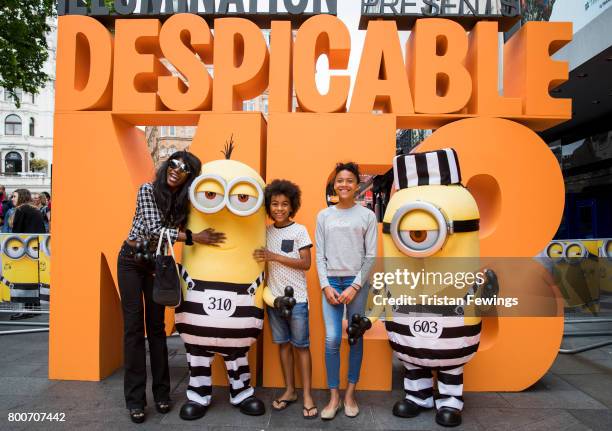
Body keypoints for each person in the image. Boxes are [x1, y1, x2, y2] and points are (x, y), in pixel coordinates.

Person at [117, 150, 226, 424]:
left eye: (184, 168)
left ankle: (162, 394)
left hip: (157, 265)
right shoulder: (147, 189)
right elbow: (154, 228)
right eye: (174, 163)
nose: (176, 169)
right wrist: (194, 237)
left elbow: (206, 203)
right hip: (131, 261)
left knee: (157, 330)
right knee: (133, 330)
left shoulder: (183, 202)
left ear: (190, 176)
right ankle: (135, 401)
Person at [315, 162, 377, 420]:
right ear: (334, 184)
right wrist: (325, 285)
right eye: (340, 180)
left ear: (357, 185)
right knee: (331, 339)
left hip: (356, 284)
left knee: (354, 338)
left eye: (349, 180)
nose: (344, 184)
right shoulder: (324, 216)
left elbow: (371, 255)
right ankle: (334, 396)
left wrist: (355, 286)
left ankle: (350, 393)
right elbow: (319, 255)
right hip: (330, 282)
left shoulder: (367, 216)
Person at [253, 179, 317, 419]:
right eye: (275, 204)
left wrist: (274, 256)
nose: (279, 208)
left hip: (298, 301)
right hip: (274, 301)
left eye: (284, 204)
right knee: (282, 345)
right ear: (269, 207)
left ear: (292, 206)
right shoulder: (265, 231)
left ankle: (308, 395)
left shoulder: (299, 231)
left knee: (301, 347)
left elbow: (306, 263)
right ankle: (290, 390)